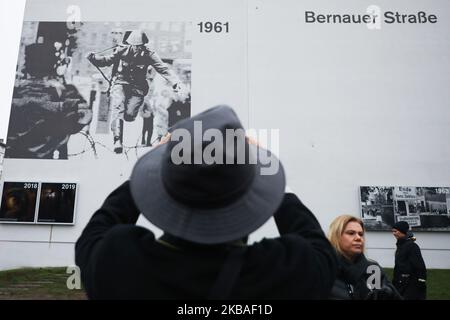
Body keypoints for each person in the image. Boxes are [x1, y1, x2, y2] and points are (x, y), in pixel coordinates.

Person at [75, 105, 337, 299]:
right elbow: (320, 251)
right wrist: (271, 173)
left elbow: (95, 233)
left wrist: (153, 162)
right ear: (253, 199)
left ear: (160, 190)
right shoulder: (283, 274)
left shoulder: (119, 265)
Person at [86, 30, 181, 154]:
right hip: (122, 82)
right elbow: (107, 60)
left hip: (138, 87)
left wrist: (175, 82)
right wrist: (94, 58)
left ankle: (127, 115)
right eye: (135, 46)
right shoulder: (121, 50)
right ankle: (117, 140)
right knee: (117, 107)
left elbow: (162, 68)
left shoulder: (149, 54)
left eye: (140, 46)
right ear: (130, 44)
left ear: (144, 45)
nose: (137, 49)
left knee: (129, 116)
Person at [6, 43, 92, 160]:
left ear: (26, 63)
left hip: (13, 156)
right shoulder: (65, 91)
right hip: (48, 157)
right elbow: (83, 116)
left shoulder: (14, 89)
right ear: (53, 64)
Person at [328, 215, 401, 300]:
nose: (358, 238)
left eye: (361, 234)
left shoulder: (373, 269)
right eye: (351, 233)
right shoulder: (323, 270)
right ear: (336, 236)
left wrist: (388, 293)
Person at [392, 221, 427, 300]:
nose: (393, 233)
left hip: (411, 286)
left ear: (402, 231)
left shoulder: (412, 246)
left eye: (395, 231)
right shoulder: (400, 245)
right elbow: (398, 267)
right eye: (392, 231)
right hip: (400, 284)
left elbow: (420, 266)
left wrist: (421, 282)